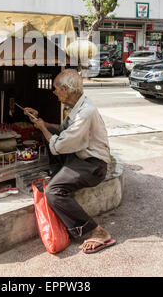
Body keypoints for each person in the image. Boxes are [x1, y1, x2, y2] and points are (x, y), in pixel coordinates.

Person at [24, 69, 115, 254]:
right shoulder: (78, 107)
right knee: (51, 136)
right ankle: (59, 175)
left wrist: (43, 128)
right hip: (81, 158)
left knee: (54, 192)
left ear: (65, 89)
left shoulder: (85, 112)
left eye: (56, 89)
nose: (55, 93)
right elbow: (63, 131)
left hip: (93, 165)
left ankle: (97, 232)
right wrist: (44, 123)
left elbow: (62, 144)